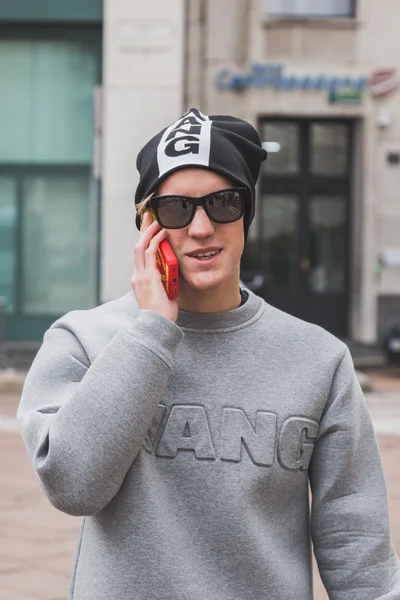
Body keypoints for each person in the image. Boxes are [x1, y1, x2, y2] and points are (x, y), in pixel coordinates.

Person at [17, 108, 400, 600]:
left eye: (223, 203)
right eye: (177, 208)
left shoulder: (319, 360)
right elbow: (73, 486)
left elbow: (357, 546)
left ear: (246, 216)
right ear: (147, 225)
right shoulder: (83, 340)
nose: (201, 227)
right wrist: (153, 329)